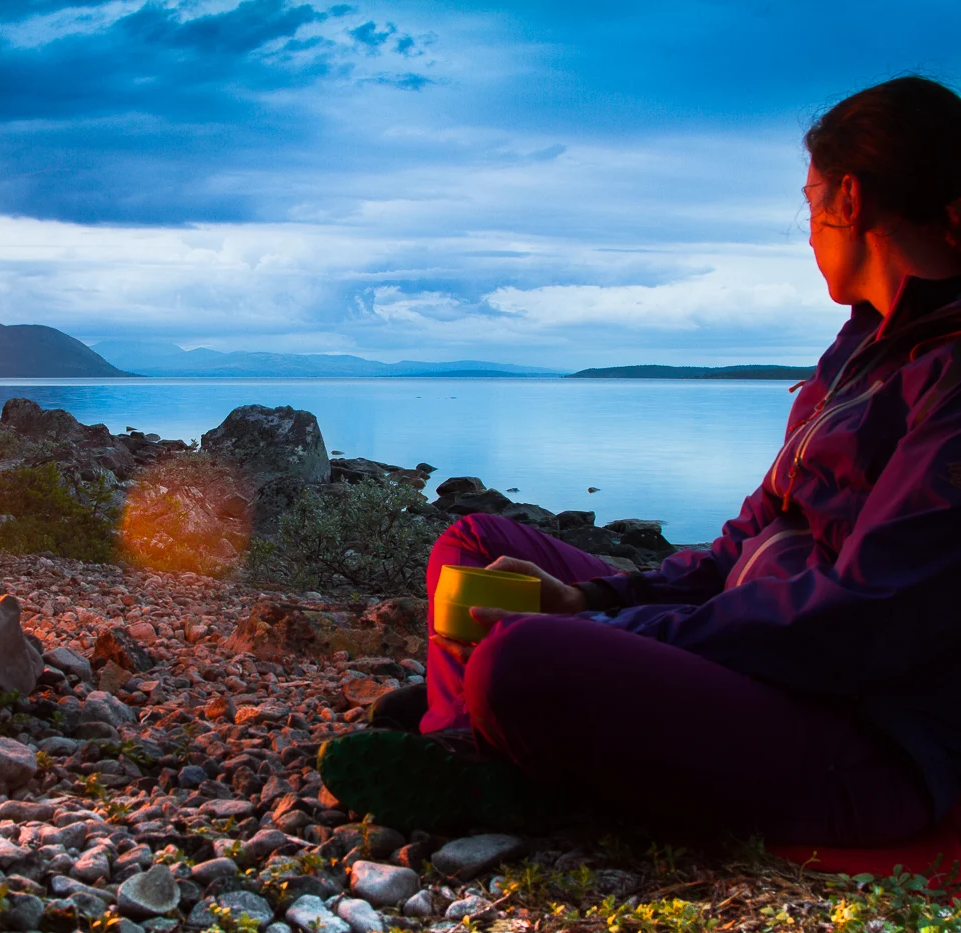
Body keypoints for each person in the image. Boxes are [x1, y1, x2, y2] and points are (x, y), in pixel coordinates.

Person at [317, 75, 961, 847]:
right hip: (759, 656)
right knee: (473, 543)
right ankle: (475, 742)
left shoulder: (948, 376)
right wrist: (588, 596)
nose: (808, 234)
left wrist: (617, 628)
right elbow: (739, 546)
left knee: (519, 659)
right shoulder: (855, 358)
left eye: (810, 203)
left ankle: (492, 740)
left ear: (849, 199)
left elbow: (856, 622)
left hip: (857, 736)